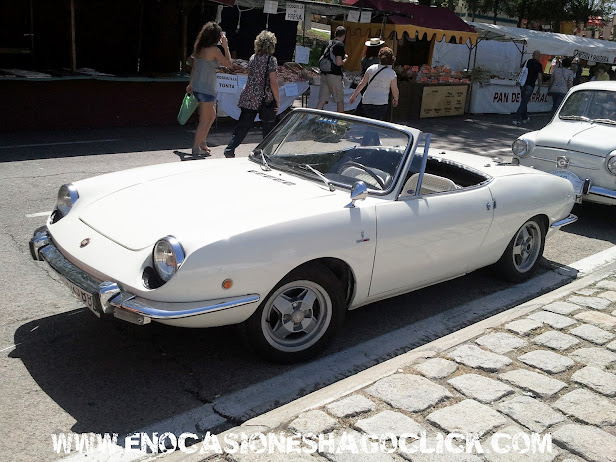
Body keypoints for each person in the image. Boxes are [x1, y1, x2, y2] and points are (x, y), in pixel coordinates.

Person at [223, 30, 280, 158]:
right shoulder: (271, 60)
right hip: (265, 98)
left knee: (243, 125)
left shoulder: (253, 57)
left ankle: (230, 148)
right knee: (268, 126)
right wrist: (278, 100)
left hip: (249, 95)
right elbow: (273, 82)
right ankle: (266, 153)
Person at [186, 22, 232, 156]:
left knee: (211, 116)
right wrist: (226, 47)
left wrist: (190, 84)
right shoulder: (215, 50)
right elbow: (229, 65)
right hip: (207, 89)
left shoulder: (199, 48)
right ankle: (196, 148)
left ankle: (202, 142)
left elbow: (194, 68)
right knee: (205, 119)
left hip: (198, 87)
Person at [350, 46, 399, 122]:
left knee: (370, 123)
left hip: (367, 100)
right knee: (375, 124)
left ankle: (368, 133)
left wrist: (354, 95)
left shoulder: (371, 68)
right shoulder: (391, 73)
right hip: (381, 102)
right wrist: (396, 99)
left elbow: (362, 83)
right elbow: (394, 89)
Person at [317, 26, 348, 113]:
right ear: (344, 36)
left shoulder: (327, 43)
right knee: (339, 100)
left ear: (335, 34)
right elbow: (338, 63)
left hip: (324, 74)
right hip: (334, 75)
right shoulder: (340, 45)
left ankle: (314, 117)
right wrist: (345, 59)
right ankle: (340, 122)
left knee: (322, 100)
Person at [513, 50, 543, 126]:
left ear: (532, 55)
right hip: (531, 85)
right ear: (539, 56)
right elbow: (540, 78)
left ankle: (524, 118)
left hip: (523, 84)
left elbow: (521, 71)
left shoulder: (527, 62)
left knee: (524, 101)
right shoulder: (539, 65)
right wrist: (539, 88)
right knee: (524, 102)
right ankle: (517, 118)